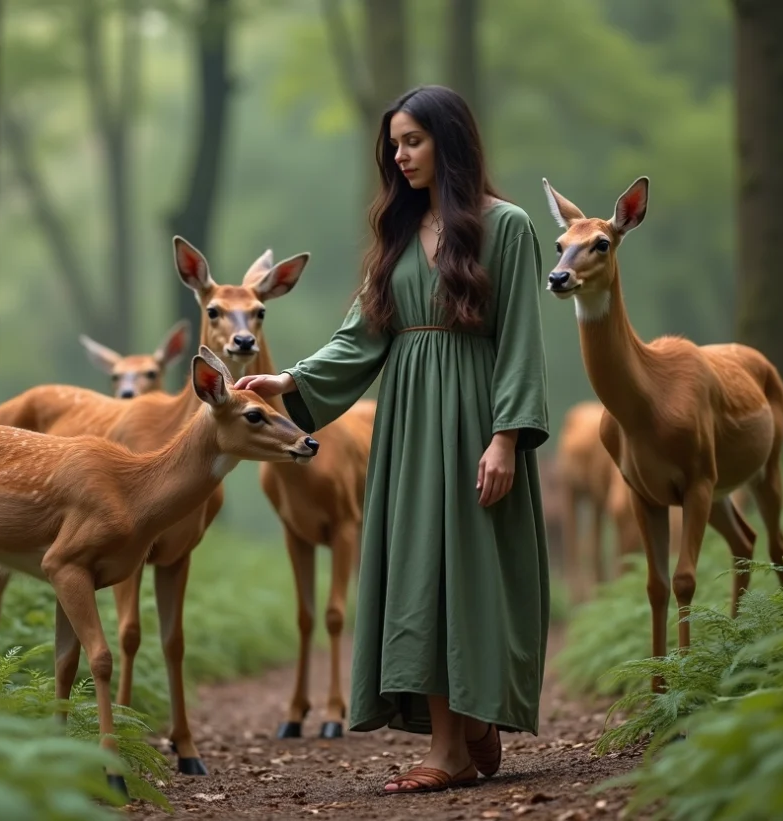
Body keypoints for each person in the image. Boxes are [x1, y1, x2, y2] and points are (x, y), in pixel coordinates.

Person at [235, 84, 552, 795]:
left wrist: (505, 438)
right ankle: (453, 743)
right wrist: (289, 381)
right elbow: (362, 336)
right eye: (393, 145)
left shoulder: (508, 227)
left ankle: (473, 722)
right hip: (408, 425)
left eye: (412, 141)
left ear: (450, 140)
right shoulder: (399, 234)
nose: (399, 156)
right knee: (418, 574)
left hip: (476, 417)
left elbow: (522, 342)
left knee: (469, 570)